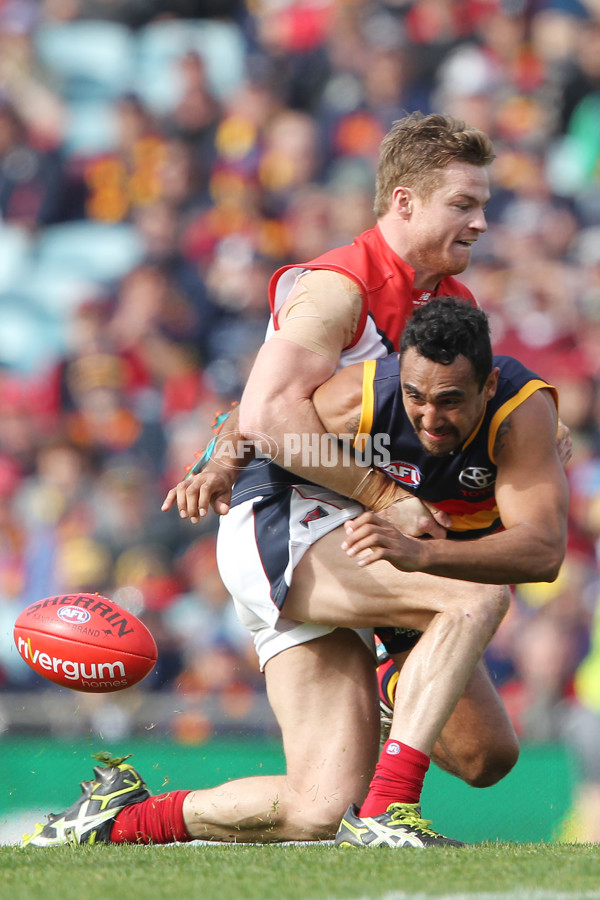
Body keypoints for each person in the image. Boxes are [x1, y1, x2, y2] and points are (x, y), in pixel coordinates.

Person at [22, 299, 569, 849]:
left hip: (382, 555)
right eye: (416, 397)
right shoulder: (366, 396)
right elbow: (262, 412)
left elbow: (543, 552)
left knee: (391, 786)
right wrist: (218, 465)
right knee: (476, 599)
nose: (429, 418)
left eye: (450, 401)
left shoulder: (521, 415)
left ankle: (118, 817)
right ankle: (389, 810)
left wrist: (421, 556)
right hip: (288, 524)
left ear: (489, 383)